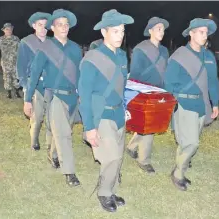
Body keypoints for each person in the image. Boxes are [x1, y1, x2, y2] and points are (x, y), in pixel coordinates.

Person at [78, 9, 133, 212]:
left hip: (118, 113)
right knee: (111, 157)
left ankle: (110, 190)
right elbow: (84, 95)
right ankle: (103, 193)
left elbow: (122, 87)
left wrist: (124, 108)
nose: (120, 36)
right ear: (104, 32)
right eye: (115, 31)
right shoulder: (92, 59)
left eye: (122, 31)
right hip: (101, 115)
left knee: (118, 156)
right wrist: (90, 128)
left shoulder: (122, 56)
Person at [23, 9, 82, 186]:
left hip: (73, 96)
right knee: (64, 134)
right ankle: (69, 172)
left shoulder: (76, 48)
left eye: (66, 24)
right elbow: (34, 74)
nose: (63, 27)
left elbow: (79, 73)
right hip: (55, 96)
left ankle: (53, 155)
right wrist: (27, 99)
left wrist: (81, 95)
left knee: (65, 130)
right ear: (52, 28)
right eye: (59, 24)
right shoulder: (46, 48)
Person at [164, 18, 219, 191]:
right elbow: (169, 82)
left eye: (206, 33)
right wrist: (176, 102)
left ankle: (182, 165)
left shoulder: (209, 56)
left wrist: (215, 103)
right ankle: (178, 174)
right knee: (192, 143)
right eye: (201, 32)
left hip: (202, 105)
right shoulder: (180, 55)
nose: (205, 36)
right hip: (186, 103)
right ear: (191, 33)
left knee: (187, 141)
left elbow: (212, 81)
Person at [125, 17, 170, 174]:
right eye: (158, 28)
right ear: (150, 30)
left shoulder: (164, 51)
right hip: (144, 93)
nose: (162, 31)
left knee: (151, 123)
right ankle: (144, 160)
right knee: (149, 127)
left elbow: (165, 72)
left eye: (163, 29)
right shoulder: (140, 49)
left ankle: (131, 147)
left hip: (159, 92)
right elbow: (135, 74)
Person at [17, 12, 53, 152]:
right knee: (37, 116)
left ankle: (50, 143)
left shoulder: (52, 42)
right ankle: (34, 140)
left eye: (45, 25)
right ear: (34, 26)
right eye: (40, 25)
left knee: (51, 116)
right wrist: (26, 87)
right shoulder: (26, 42)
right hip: (35, 85)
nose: (43, 28)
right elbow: (21, 66)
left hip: (50, 85)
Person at [0, 23, 21, 99]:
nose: (9, 30)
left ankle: (17, 92)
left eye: (10, 29)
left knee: (16, 77)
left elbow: (21, 50)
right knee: (7, 77)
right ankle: (8, 93)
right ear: (4, 30)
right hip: (5, 63)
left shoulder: (16, 39)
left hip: (15, 62)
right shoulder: (0, 40)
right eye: (7, 29)